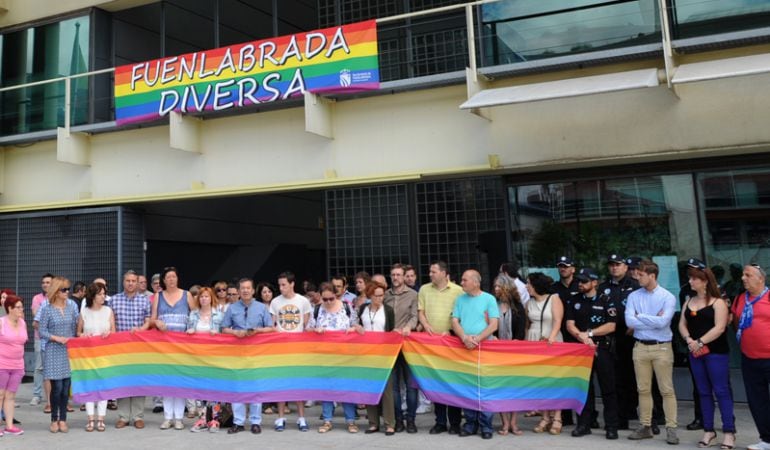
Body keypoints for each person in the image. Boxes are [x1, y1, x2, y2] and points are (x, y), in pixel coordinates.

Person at [678, 259, 735, 449]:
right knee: (703, 391)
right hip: (696, 352)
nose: (691, 282)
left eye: (695, 279)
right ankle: (709, 430)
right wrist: (688, 340)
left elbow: (720, 328)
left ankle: (729, 432)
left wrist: (699, 342)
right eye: (690, 278)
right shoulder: (689, 301)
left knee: (721, 391)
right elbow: (682, 324)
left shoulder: (717, 302)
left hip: (716, 352)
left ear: (704, 281)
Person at [626, 260, 679, 445]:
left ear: (652, 275)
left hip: (662, 346)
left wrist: (640, 316)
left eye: (641, 274)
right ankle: (645, 426)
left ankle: (671, 428)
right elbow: (629, 322)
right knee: (643, 388)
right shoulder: (634, 296)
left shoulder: (667, 297)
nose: (637, 277)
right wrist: (651, 318)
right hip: (640, 346)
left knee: (666, 389)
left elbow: (664, 322)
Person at [566, 268, 619, 440]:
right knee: (583, 388)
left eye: (585, 281)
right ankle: (584, 424)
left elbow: (611, 326)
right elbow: (570, 324)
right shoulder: (574, 300)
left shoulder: (606, 300)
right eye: (579, 281)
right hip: (581, 349)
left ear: (595, 282)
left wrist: (589, 334)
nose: (581, 284)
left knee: (608, 388)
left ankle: (611, 426)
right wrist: (581, 337)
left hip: (601, 348)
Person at [222, 277, 274, 435]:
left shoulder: (261, 308)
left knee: (255, 387)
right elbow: (224, 328)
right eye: (242, 288)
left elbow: (271, 328)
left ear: (252, 291)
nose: (245, 290)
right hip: (237, 352)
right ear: (238, 291)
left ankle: (255, 421)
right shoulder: (231, 308)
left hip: (256, 352)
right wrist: (235, 332)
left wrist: (257, 331)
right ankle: (238, 422)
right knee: (237, 387)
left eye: (248, 288)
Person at [452, 269, 499, 440]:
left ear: (475, 282)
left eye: (464, 280)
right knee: (468, 386)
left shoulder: (489, 299)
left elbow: (494, 325)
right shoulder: (459, 299)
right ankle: (470, 423)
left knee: (485, 386)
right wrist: (464, 337)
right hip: (465, 348)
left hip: (485, 348)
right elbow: (454, 321)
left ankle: (486, 426)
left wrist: (477, 339)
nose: (461, 283)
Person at [418, 261, 463, 435]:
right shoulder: (424, 289)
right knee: (435, 383)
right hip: (431, 345)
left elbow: (461, 314)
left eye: (433, 271)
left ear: (444, 273)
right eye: (430, 271)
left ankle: (455, 422)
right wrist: (425, 324)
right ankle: (440, 422)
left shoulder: (458, 291)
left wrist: (450, 331)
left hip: (451, 343)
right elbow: (420, 311)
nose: (430, 274)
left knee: (452, 383)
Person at [308, 282, 359, 434]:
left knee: (346, 388)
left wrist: (352, 329)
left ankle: (351, 420)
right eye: (325, 299)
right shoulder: (317, 309)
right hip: (325, 356)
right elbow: (308, 328)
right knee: (326, 388)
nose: (328, 302)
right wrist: (315, 330)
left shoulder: (347, 307)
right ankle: (327, 419)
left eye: (331, 299)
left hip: (345, 355)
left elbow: (357, 325)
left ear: (336, 295)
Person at [599, 253, 642, 431]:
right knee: (616, 380)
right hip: (610, 339)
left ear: (625, 267)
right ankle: (621, 418)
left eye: (618, 264)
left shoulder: (635, 286)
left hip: (631, 336)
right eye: (611, 264)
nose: (614, 267)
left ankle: (650, 418)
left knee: (637, 379)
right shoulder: (603, 287)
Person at [731, 263, 770, 450]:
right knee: (757, 401)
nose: (743, 278)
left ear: (760, 278)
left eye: (748, 275)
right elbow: (735, 322)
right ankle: (766, 439)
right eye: (743, 275)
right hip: (749, 359)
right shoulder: (740, 299)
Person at [152, 267, 195, 430]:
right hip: (164, 347)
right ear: (163, 280)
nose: (171, 279)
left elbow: (195, 315)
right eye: (168, 277)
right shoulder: (158, 296)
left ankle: (179, 418)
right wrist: (157, 323)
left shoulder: (187, 295)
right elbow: (153, 317)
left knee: (180, 383)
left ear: (177, 279)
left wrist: (192, 329)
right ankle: (167, 417)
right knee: (167, 383)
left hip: (183, 346)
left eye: (173, 276)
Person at [269, 272, 311, 432]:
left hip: (298, 348)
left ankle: (301, 418)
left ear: (292, 284)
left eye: (284, 284)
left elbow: (306, 326)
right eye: (279, 285)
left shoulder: (303, 301)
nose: (281, 288)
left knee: (298, 384)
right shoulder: (275, 302)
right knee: (281, 384)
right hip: (280, 349)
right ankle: (280, 418)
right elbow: (272, 324)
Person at [355, 280, 396, 435]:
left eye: (382, 295)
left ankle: (389, 423)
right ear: (370, 296)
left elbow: (391, 331)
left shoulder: (388, 310)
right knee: (369, 388)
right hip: (366, 354)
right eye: (377, 296)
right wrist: (357, 327)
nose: (380, 298)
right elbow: (357, 324)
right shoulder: (363, 309)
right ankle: (373, 423)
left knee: (386, 390)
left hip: (384, 354)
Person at [525, 272, 564, 434]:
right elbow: (527, 325)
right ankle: (545, 416)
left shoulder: (554, 298)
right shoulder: (529, 302)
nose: (526, 286)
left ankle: (557, 418)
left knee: (554, 381)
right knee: (540, 382)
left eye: (528, 283)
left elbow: (558, 320)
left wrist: (551, 338)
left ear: (536, 285)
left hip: (551, 341)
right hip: (534, 341)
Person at [111, 270, 151, 429]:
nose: (130, 283)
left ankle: (138, 416)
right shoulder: (114, 300)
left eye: (133, 281)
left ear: (137, 282)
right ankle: (123, 416)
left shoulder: (144, 300)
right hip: (120, 348)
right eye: (128, 280)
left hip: (139, 348)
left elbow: (148, 321)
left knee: (138, 381)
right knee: (122, 381)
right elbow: (111, 323)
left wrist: (141, 329)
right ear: (123, 282)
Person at [38, 276, 79, 433]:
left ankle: (63, 419)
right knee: (57, 388)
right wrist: (56, 338)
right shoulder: (47, 309)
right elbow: (42, 331)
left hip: (68, 351)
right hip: (53, 350)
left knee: (65, 388)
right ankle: (54, 419)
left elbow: (76, 327)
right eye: (64, 290)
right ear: (56, 291)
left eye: (68, 289)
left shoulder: (71, 307)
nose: (67, 292)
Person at [385, 263, 419, 433]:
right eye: (393, 275)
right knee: (394, 387)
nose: (396, 278)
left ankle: (411, 420)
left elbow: (415, 316)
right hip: (390, 346)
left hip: (408, 345)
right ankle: (398, 420)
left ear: (404, 276)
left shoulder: (413, 295)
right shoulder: (385, 295)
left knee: (411, 384)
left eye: (399, 274)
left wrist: (408, 327)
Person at [77, 282, 115, 432]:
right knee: (89, 385)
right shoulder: (84, 312)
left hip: (104, 353)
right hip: (88, 354)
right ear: (92, 296)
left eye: (104, 294)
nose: (103, 296)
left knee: (103, 386)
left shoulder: (108, 311)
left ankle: (101, 418)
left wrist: (109, 334)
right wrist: (83, 335)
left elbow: (114, 331)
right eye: (100, 294)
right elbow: (78, 332)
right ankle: (90, 418)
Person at [186, 286, 225, 433]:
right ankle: (203, 418)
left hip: (214, 358)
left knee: (215, 388)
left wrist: (219, 335)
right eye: (201, 296)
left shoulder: (219, 316)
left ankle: (214, 419)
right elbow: (187, 332)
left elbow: (226, 336)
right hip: (197, 358)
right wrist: (189, 331)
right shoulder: (193, 314)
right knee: (199, 388)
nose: (204, 299)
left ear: (211, 298)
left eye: (206, 296)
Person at [492, 274, 525, 436]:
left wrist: (513, 345)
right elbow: (490, 326)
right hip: (496, 353)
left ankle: (514, 423)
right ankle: (504, 423)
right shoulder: (492, 305)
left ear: (507, 287)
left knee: (514, 388)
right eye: (495, 286)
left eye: (499, 286)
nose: (496, 289)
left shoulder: (518, 306)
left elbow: (521, 331)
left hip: (514, 353)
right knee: (500, 388)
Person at [0, 294, 27, 436]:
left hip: (17, 366)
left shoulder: (22, 323)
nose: (21, 309)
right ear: (9, 308)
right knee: (0, 395)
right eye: (18, 307)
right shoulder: (1, 322)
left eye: (22, 307)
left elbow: (22, 341)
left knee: (10, 396)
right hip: (2, 364)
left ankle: (9, 426)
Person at [31, 273, 53, 408]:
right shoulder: (37, 298)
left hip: (55, 340)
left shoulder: (61, 299)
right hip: (40, 338)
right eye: (43, 282)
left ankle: (52, 399)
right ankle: (36, 395)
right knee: (39, 367)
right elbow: (36, 318)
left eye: (48, 282)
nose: (45, 284)